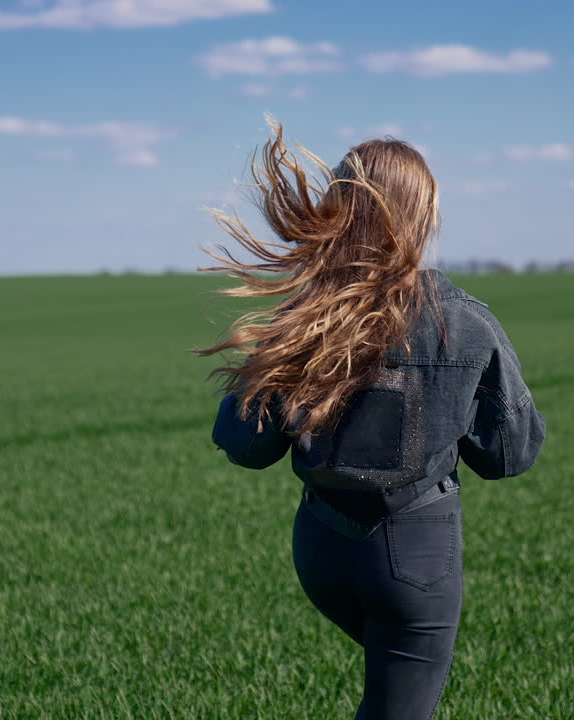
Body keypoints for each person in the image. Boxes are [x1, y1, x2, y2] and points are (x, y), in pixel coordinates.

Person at [190, 116, 547, 720]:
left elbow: (246, 445)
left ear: (338, 209)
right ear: (422, 216)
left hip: (321, 551)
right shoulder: (465, 321)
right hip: (415, 557)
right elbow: (510, 456)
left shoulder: (306, 315)